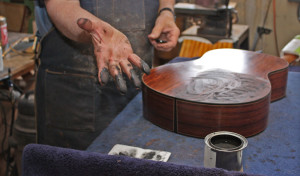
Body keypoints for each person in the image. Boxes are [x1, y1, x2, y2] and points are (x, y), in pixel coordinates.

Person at [34, 0, 180, 150]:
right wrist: (98, 33)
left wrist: (166, 11)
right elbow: (62, 6)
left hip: (137, 91)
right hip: (75, 99)